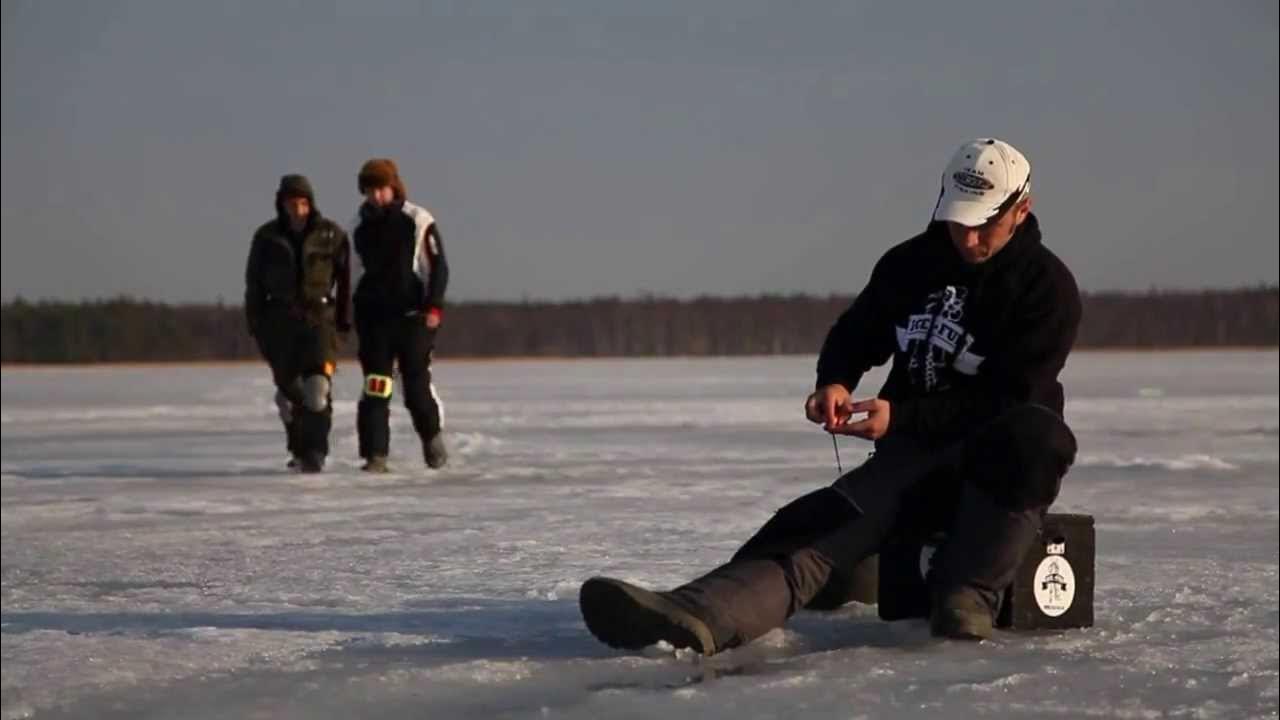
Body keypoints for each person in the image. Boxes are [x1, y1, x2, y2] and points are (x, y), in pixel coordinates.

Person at [579, 138, 1081, 653]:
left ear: (1022, 209)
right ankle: (703, 614)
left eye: (984, 225)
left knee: (1038, 434)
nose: (969, 238)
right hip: (913, 455)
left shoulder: (1046, 288)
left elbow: (1010, 396)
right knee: (817, 526)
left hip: (996, 468)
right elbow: (857, 332)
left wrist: (901, 416)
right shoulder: (911, 264)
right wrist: (836, 380)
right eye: (959, 221)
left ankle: (966, 597)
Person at [245, 174, 352, 473]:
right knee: (290, 396)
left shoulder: (331, 235)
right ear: (282, 204)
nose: (298, 209)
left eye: (303, 203)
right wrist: (256, 323)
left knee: (317, 390)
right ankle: (299, 448)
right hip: (279, 325)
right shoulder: (266, 238)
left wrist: (344, 323)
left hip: (320, 321)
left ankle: (316, 452)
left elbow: (345, 283)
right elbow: (253, 285)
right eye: (292, 203)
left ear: (311, 203)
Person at [350, 158, 450, 473]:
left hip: (413, 318)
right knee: (376, 386)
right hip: (375, 320)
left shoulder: (417, 220)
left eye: (380, 189)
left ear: (393, 186)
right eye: (369, 190)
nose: (376, 196)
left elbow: (437, 268)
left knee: (415, 386)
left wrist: (433, 307)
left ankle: (432, 441)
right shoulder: (358, 225)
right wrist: (345, 316)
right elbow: (350, 274)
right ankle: (375, 456)